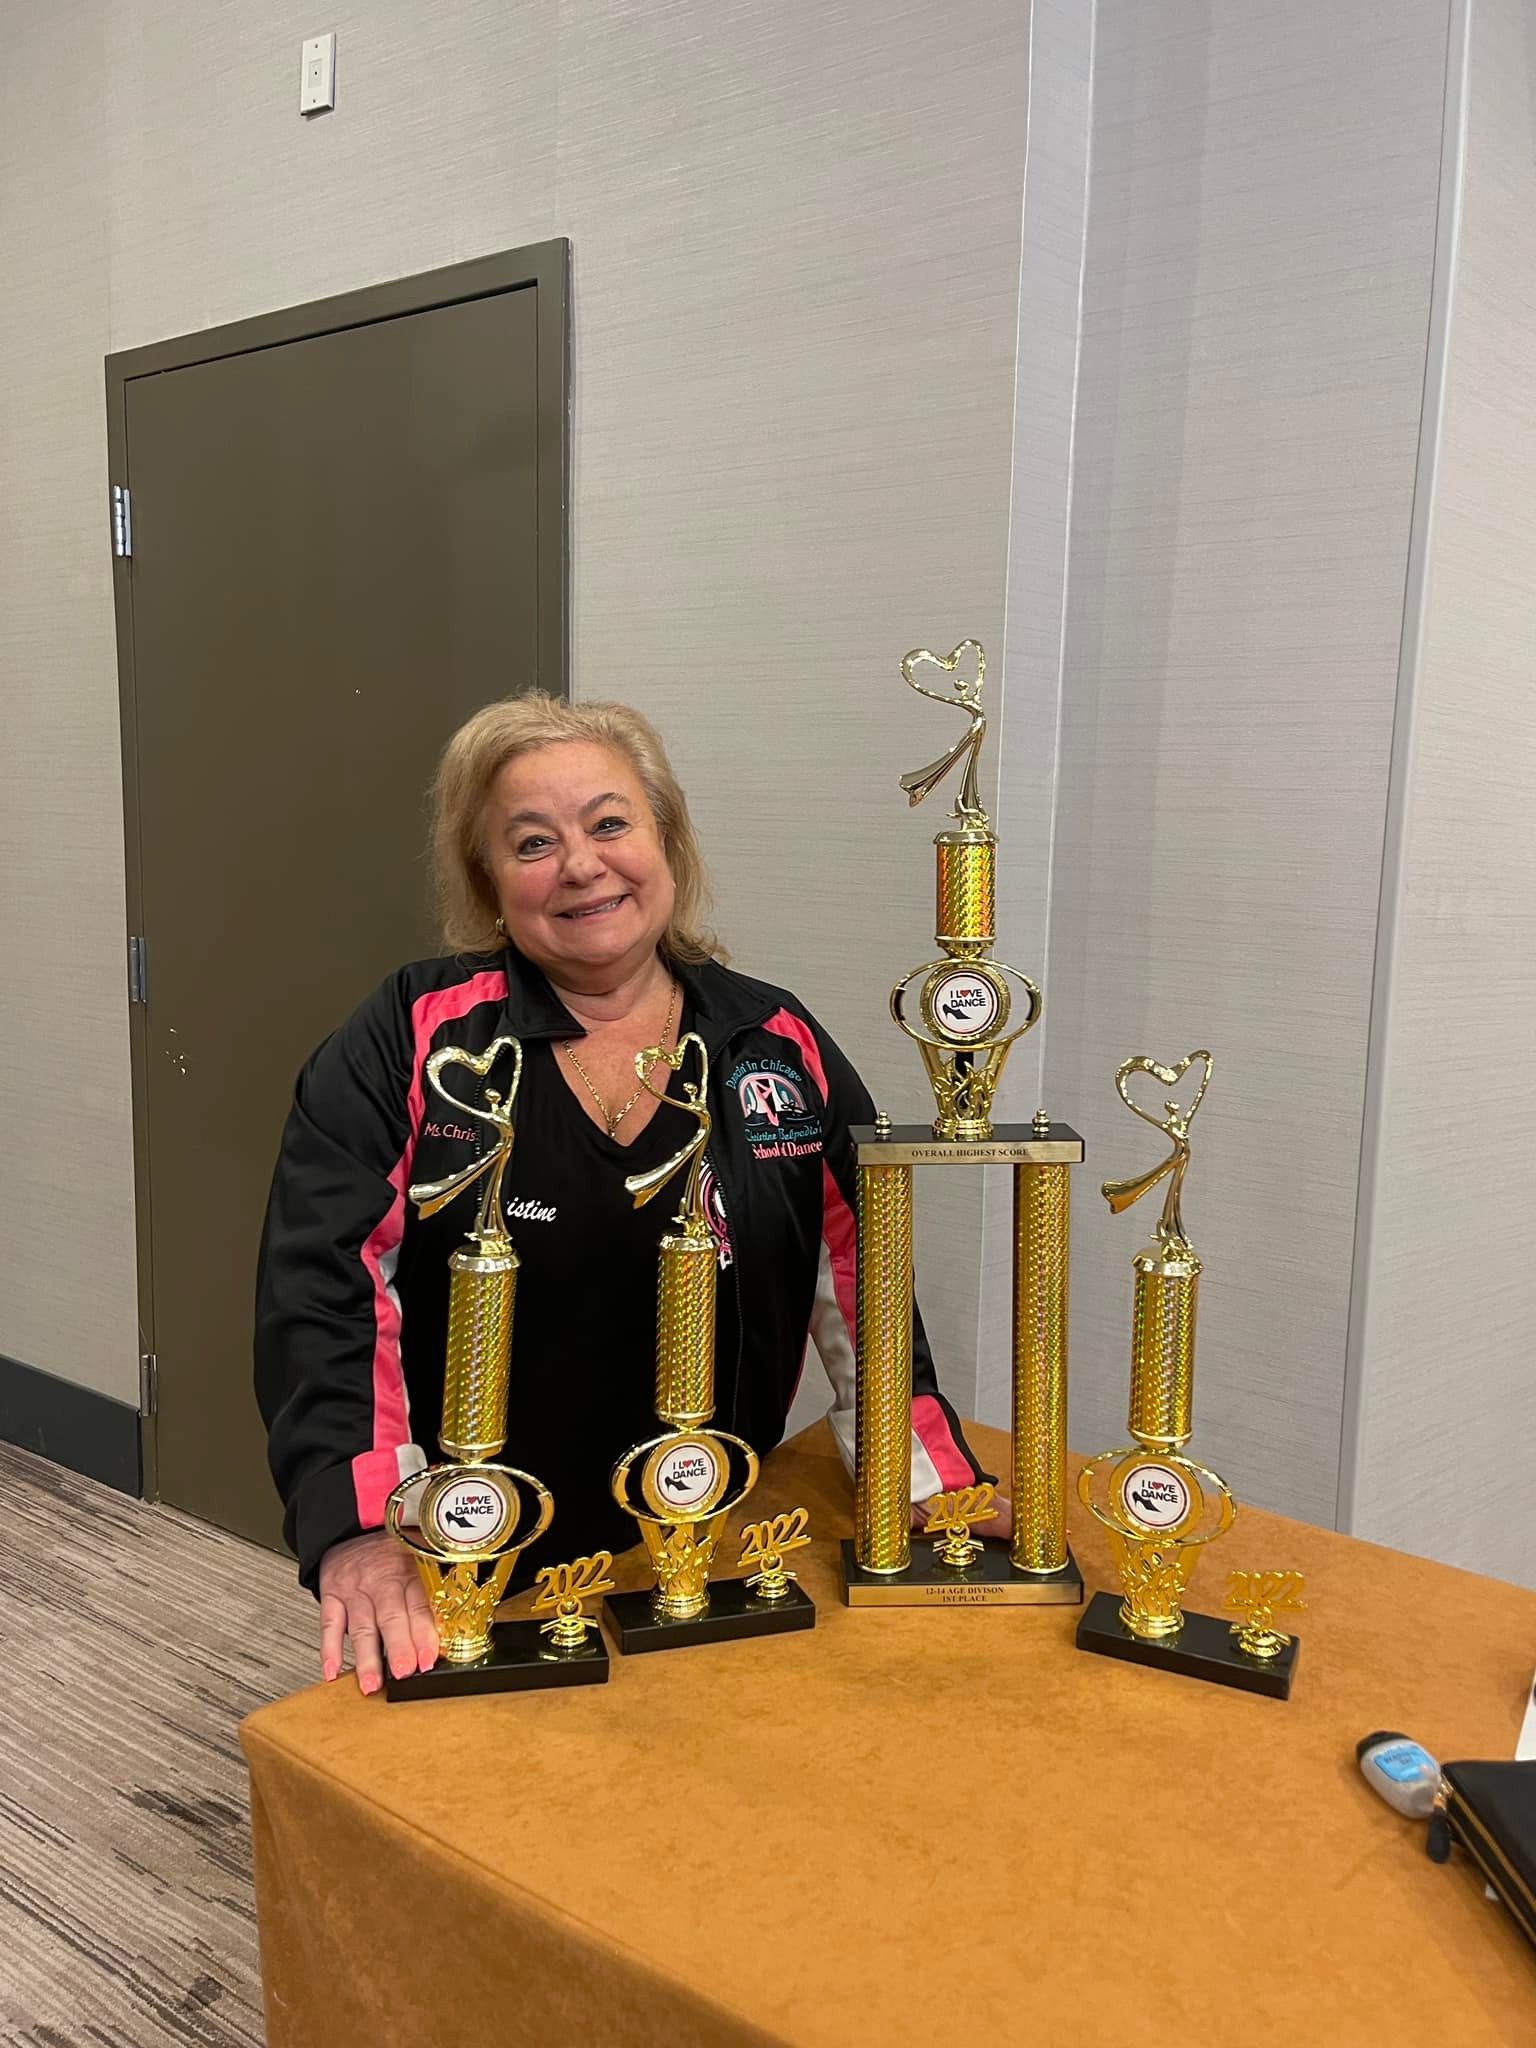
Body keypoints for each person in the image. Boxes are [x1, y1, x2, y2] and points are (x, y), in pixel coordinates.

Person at [254, 694, 1006, 1693]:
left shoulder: (771, 1043)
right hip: (476, 1576)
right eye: (532, 841)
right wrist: (357, 1526)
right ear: (488, 879)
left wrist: (923, 1472)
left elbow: (858, 1268)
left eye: (611, 822)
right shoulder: (412, 1037)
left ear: (668, 842)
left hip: (709, 1554)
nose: (581, 863)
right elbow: (329, 1291)